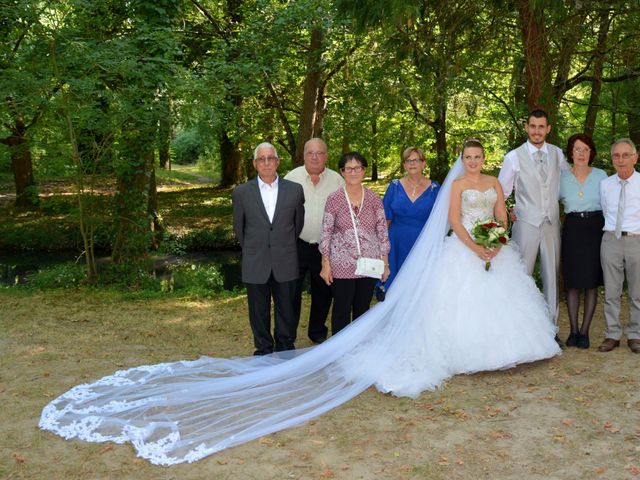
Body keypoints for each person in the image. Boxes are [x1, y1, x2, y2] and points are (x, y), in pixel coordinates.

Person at [39, 141, 560, 466]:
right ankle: (316, 345)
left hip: (452, 253)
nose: (471, 164)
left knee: (377, 309)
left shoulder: (481, 184)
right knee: (343, 311)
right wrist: (335, 261)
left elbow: (483, 217)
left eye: (475, 157)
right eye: (465, 158)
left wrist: (493, 238)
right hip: (420, 254)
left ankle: (486, 351)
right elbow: (349, 230)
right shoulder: (335, 195)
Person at [499, 109, 568, 341]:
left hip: (551, 224)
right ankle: (519, 330)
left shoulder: (558, 154)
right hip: (525, 223)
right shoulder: (513, 157)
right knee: (522, 275)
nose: (537, 131)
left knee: (551, 276)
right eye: (533, 126)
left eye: (541, 127)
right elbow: (501, 191)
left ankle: (551, 330)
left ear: (548, 129)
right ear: (526, 127)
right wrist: (508, 211)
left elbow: (566, 183)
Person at [231, 142, 305, 355]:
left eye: (270, 158)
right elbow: (240, 228)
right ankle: (263, 348)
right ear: (255, 163)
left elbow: (297, 224)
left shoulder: (295, 190)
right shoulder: (241, 192)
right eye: (261, 159)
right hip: (256, 259)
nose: (266, 163)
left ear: (277, 161)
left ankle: (285, 347)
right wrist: (255, 249)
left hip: (286, 258)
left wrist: (282, 244)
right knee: (258, 309)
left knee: (286, 308)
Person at [319, 151, 390, 335]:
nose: (353, 172)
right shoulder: (334, 199)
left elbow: (382, 231)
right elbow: (326, 232)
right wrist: (325, 264)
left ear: (364, 170)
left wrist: (385, 262)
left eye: (357, 168)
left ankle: (360, 349)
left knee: (362, 308)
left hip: (370, 263)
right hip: (342, 264)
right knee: (342, 309)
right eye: (348, 168)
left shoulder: (374, 199)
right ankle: (339, 351)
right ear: (342, 172)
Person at [284, 138, 344, 344]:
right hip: (296, 245)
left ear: (327, 156)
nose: (315, 157)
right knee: (291, 292)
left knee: (324, 292)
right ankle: (287, 335)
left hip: (326, 248)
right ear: (304, 155)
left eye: (320, 153)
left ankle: (317, 332)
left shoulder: (337, 180)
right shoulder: (291, 178)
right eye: (311, 153)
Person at [559, 134, 607, 349]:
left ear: (591, 153)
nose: (581, 153)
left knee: (590, 283)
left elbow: (611, 204)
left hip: (595, 228)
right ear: (571, 152)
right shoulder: (560, 177)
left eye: (585, 149)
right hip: (572, 229)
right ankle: (573, 331)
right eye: (577, 149)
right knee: (572, 283)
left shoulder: (601, 175)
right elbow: (546, 202)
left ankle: (585, 332)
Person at [377, 147, 440, 294]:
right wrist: (382, 248)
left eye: (416, 160)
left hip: (422, 242)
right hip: (396, 241)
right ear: (404, 165)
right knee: (395, 287)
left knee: (418, 287)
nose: (412, 163)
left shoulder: (435, 188)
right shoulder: (394, 186)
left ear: (424, 163)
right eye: (408, 160)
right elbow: (385, 219)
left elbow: (440, 220)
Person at [598, 138, 640, 354]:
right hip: (611, 240)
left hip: (637, 240)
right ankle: (612, 334)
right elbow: (606, 211)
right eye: (616, 155)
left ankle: (635, 334)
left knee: (637, 292)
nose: (621, 159)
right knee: (611, 291)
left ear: (635, 157)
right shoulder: (605, 185)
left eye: (626, 155)